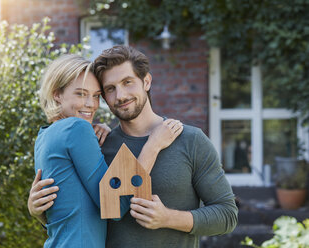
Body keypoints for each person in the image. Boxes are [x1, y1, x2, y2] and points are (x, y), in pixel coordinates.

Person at [29, 46, 238, 248]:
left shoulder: (190, 140)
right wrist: (40, 212)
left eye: (128, 82)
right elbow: (81, 212)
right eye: (110, 89)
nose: (120, 96)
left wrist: (169, 218)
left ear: (146, 81)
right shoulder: (100, 144)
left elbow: (227, 215)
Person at [33, 53, 183, 248]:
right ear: (57, 94)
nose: (91, 104)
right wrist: (153, 145)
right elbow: (114, 206)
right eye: (81, 94)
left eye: (95, 96)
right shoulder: (77, 129)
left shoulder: (44, 136)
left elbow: (65, 210)